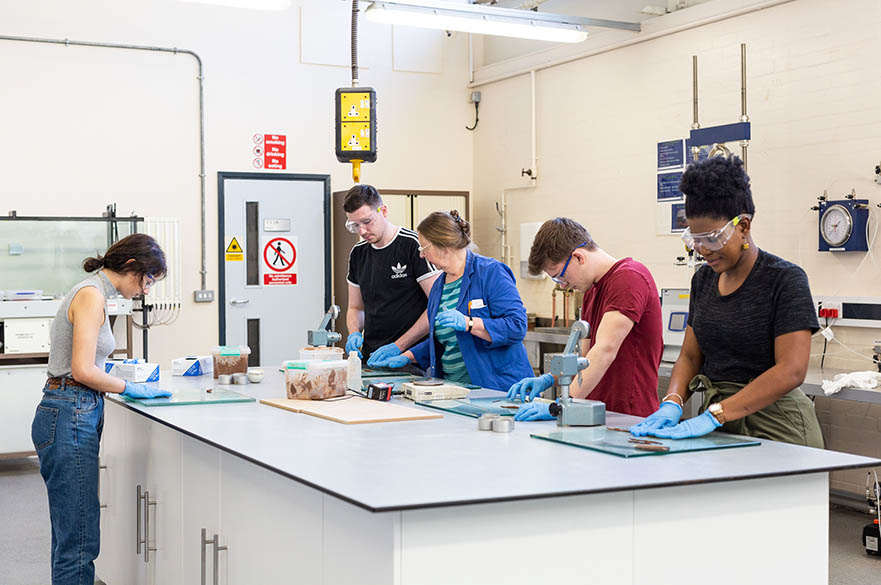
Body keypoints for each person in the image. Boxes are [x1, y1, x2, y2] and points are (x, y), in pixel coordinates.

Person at [631, 156, 824, 447]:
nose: (703, 250)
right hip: (721, 423)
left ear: (743, 226)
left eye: (711, 238)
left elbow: (791, 370)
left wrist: (715, 415)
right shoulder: (703, 281)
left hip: (778, 426)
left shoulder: (785, 280)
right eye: (694, 240)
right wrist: (672, 401)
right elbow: (690, 357)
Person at [31, 233, 171, 585]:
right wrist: (131, 387)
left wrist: (120, 374)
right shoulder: (92, 296)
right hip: (69, 411)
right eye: (149, 280)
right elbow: (81, 370)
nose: (147, 290)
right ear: (131, 266)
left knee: (70, 533)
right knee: (78, 539)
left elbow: (87, 363)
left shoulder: (93, 292)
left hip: (69, 409)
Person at [509, 217, 664, 422]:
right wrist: (548, 379)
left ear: (579, 258)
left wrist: (562, 406)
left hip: (627, 415)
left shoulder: (628, 279)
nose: (562, 286)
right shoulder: (592, 290)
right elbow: (583, 356)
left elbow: (604, 351)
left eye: (559, 277)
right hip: (593, 413)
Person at [372, 210, 533, 391]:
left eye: (424, 248)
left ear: (444, 246)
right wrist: (408, 356)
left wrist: (469, 323)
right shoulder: (439, 287)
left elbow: (517, 327)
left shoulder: (491, 272)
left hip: (497, 388)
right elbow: (445, 339)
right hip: (455, 390)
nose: (421, 255)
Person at [343, 184, 441, 364]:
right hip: (372, 357)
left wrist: (399, 346)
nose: (362, 231)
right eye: (355, 225)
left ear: (384, 211)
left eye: (367, 221)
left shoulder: (412, 246)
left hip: (410, 358)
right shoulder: (358, 253)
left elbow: (436, 306)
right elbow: (356, 308)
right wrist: (354, 332)